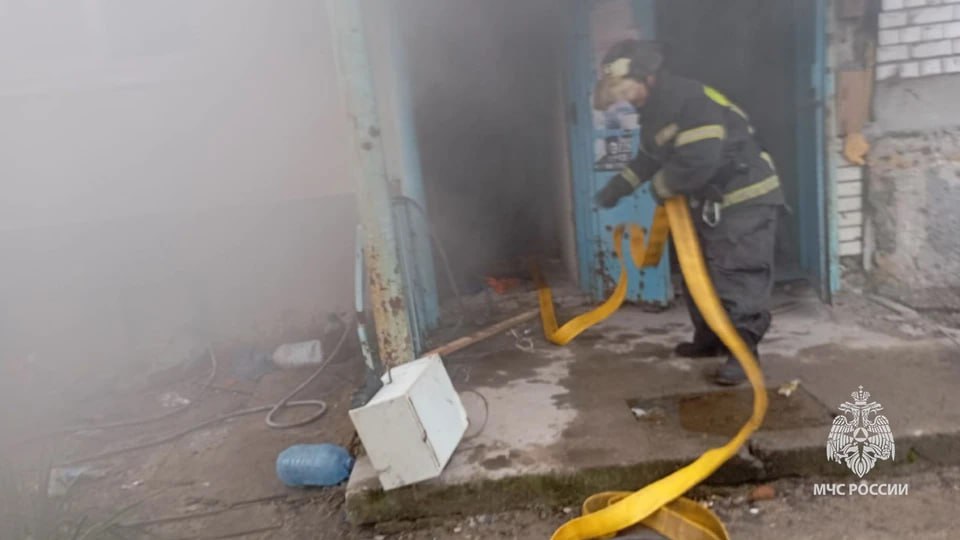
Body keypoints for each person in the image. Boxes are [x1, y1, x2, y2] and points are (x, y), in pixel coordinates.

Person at [592, 40, 784, 386]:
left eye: (626, 89)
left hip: (743, 199)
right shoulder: (656, 111)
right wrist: (615, 190)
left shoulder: (689, 100)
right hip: (709, 202)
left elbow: (699, 160)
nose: (625, 99)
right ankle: (710, 340)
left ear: (648, 77)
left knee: (737, 275)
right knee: (699, 273)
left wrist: (660, 187)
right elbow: (649, 160)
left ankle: (744, 354)